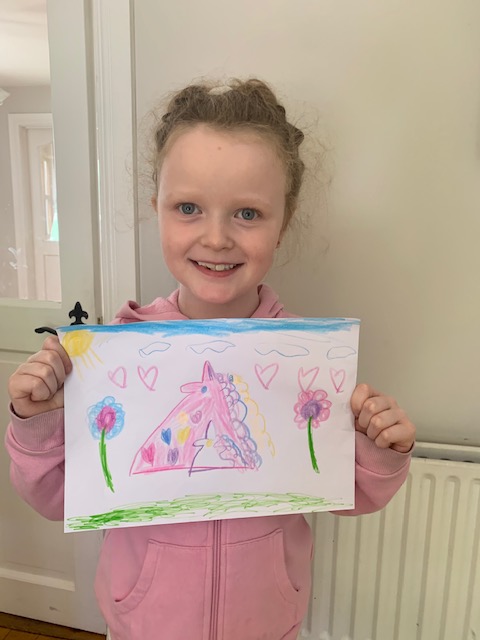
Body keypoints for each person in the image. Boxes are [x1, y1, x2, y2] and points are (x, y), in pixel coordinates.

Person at [5, 78, 416, 640]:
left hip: (265, 622)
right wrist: (38, 422)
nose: (217, 237)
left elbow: (348, 494)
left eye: (247, 212)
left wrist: (380, 449)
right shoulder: (113, 359)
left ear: (283, 221)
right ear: (156, 209)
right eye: (188, 208)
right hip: (145, 622)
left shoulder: (306, 365)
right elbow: (57, 499)